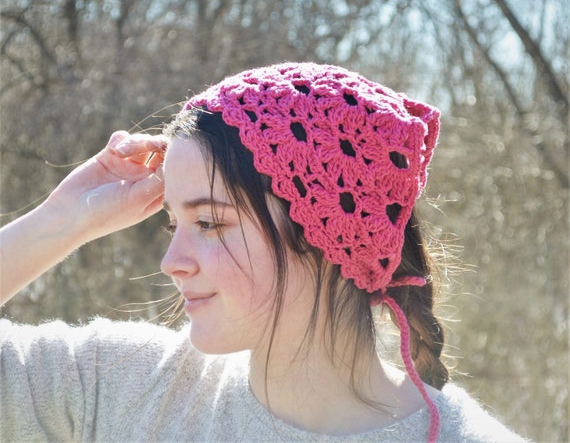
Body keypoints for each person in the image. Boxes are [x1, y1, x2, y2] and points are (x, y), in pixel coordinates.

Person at [0, 62, 526, 442]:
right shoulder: (124, 387)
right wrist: (58, 222)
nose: (171, 262)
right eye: (173, 224)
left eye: (209, 222)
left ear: (324, 237)